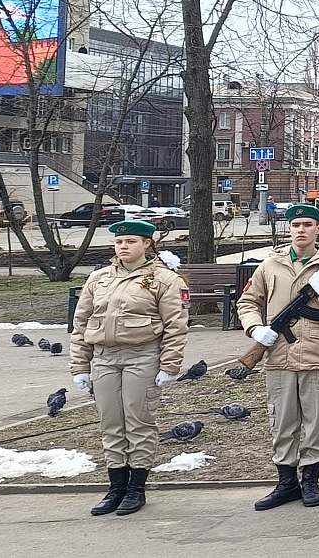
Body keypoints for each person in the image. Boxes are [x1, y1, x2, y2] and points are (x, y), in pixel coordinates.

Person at [236, 204, 319, 510]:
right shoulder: (270, 264)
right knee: (282, 421)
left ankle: (311, 482)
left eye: (307, 224)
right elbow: (248, 301)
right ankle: (286, 483)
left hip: (318, 353)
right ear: (289, 229)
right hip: (278, 354)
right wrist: (255, 329)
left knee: (317, 421)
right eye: (295, 225)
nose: (300, 230)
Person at [68, 219, 188, 516]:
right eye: (119, 242)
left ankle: (136, 488)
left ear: (147, 244)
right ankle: (115, 487)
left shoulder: (165, 279)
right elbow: (81, 324)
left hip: (142, 356)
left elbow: (176, 326)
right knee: (111, 423)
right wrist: (80, 365)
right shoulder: (99, 278)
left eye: (131, 241)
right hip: (105, 358)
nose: (123, 247)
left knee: (138, 422)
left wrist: (169, 365)